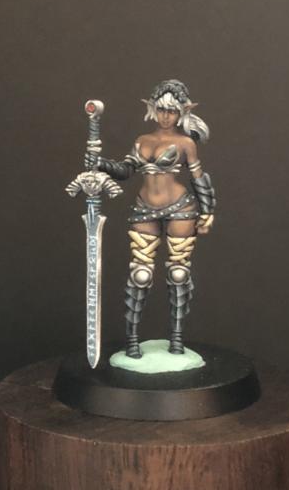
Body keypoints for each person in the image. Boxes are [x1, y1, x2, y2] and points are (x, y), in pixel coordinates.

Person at [85, 79, 216, 358]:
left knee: (178, 273)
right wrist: (101, 164)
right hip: (144, 209)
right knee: (140, 274)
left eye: (172, 110)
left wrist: (207, 209)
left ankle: (177, 339)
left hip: (181, 209)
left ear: (181, 112)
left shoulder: (185, 143)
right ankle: (132, 340)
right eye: (162, 109)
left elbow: (198, 177)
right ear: (153, 109)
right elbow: (125, 170)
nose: (166, 115)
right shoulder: (141, 141)